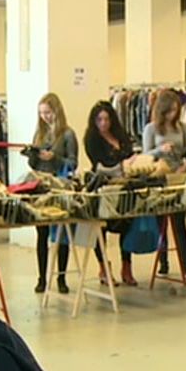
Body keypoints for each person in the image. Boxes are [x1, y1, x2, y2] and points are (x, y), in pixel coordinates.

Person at [84, 100, 138, 286]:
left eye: (107, 119)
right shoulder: (92, 140)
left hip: (124, 188)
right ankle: (103, 268)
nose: (104, 123)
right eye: (99, 120)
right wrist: (122, 165)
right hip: (103, 188)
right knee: (101, 228)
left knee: (127, 225)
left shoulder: (121, 136)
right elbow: (100, 166)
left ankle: (127, 266)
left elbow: (130, 155)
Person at [28, 92, 78, 294]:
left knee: (61, 234)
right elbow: (33, 164)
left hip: (59, 186)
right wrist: (32, 155)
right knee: (42, 234)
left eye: (48, 112)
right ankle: (42, 278)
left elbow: (73, 163)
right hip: (41, 186)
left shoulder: (68, 134)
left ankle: (61, 278)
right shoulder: (39, 134)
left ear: (56, 111)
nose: (45, 117)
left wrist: (54, 158)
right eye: (41, 113)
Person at [142, 89, 186, 276]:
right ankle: (163, 262)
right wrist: (160, 150)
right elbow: (146, 155)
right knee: (160, 223)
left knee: (180, 223)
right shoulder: (151, 129)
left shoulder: (182, 127)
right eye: (169, 111)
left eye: (175, 110)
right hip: (160, 177)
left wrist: (185, 163)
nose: (172, 114)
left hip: (178, 176)